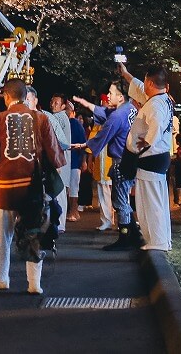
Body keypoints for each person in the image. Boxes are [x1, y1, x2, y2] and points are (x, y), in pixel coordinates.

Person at [0, 78, 65, 293]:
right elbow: (55, 154)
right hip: (33, 187)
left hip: (5, 187)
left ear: (6, 96)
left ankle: (1, 278)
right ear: (25, 95)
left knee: (1, 235)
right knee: (34, 232)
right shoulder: (40, 118)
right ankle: (34, 283)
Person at [74, 81, 139, 250]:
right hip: (130, 159)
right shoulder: (130, 108)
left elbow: (103, 134)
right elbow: (105, 112)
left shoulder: (118, 116)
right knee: (123, 199)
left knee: (120, 201)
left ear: (121, 96)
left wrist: (84, 145)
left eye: (111, 93)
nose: (108, 96)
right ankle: (134, 234)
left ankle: (125, 237)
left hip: (122, 161)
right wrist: (86, 103)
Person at [128, 66, 175, 251]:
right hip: (157, 157)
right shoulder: (163, 100)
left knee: (151, 202)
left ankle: (158, 241)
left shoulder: (155, 104)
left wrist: (147, 142)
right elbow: (140, 91)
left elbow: (156, 125)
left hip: (152, 157)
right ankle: (160, 239)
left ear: (149, 82)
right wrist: (126, 73)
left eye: (145, 81)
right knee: (156, 200)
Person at [45, 94, 73, 230]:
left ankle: (60, 224)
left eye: (56, 103)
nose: (53, 104)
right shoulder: (62, 117)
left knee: (59, 190)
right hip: (61, 159)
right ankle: (59, 222)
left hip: (60, 160)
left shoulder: (59, 117)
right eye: (52, 101)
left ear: (63, 106)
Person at [65, 101, 86, 222]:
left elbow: (83, 144)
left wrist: (83, 161)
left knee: (73, 187)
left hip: (74, 160)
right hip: (66, 161)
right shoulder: (64, 123)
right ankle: (71, 211)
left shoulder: (76, 124)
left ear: (72, 112)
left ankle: (74, 211)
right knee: (68, 188)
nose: (65, 111)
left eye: (68, 109)